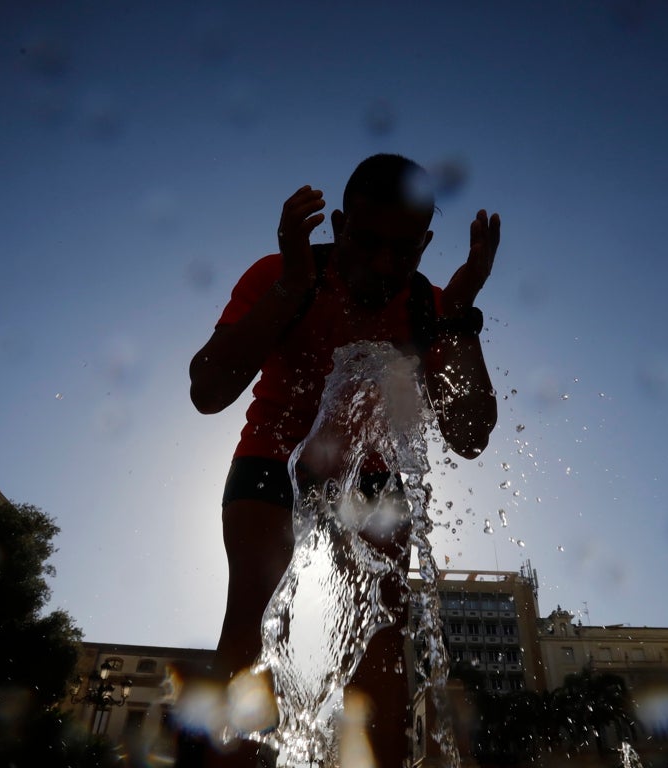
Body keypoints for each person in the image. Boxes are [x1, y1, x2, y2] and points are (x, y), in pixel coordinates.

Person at [188, 153, 500, 768]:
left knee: (381, 646)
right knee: (253, 619)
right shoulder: (283, 273)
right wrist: (292, 289)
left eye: (404, 250)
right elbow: (208, 390)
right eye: (367, 241)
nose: (384, 264)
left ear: (426, 244)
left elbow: (470, 435)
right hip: (272, 459)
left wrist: (459, 315)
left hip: (373, 477)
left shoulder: (429, 307)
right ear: (337, 224)